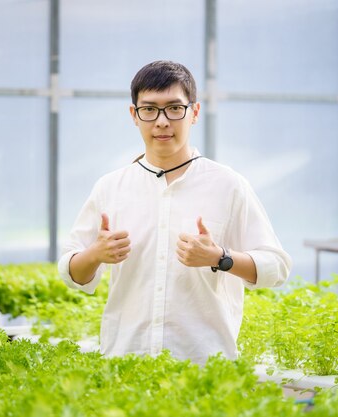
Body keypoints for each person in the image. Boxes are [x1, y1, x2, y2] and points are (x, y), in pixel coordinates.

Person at [58, 60, 291, 364]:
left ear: (194, 113)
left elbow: (277, 267)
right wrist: (95, 254)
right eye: (149, 109)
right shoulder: (110, 187)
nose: (162, 121)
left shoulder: (228, 185)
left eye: (174, 108)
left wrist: (221, 257)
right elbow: (72, 273)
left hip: (204, 365)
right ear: (134, 115)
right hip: (126, 363)